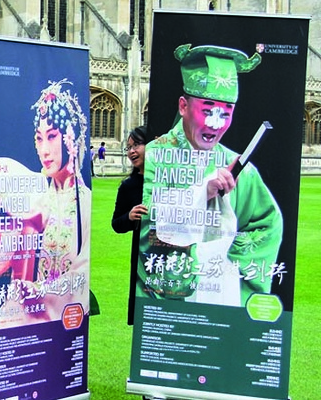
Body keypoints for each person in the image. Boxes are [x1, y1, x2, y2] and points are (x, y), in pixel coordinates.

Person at [138, 44, 283, 306]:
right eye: (207, 110)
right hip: (165, 302)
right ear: (183, 106)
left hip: (219, 297)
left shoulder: (240, 170)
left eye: (225, 112)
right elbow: (146, 224)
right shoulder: (156, 155)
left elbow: (267, 223)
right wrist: (203, 191)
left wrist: (226, 263)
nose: (215, 124)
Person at [0, 79, 91, 329]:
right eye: (39, 138)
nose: (44, 150)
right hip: (35, 307)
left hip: (64, 312)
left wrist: (41, 291)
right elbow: (0, 259)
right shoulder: (38, 198)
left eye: (52, 137)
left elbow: (82, 271)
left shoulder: (83, 202)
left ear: (70, 138)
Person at [112, 125, 149, 325]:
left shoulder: (168, 181)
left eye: (137, 145)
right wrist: (130, 216)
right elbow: (116, 224)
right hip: (143, 258)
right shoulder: (128, 186)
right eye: (128, 147)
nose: (132, 151)